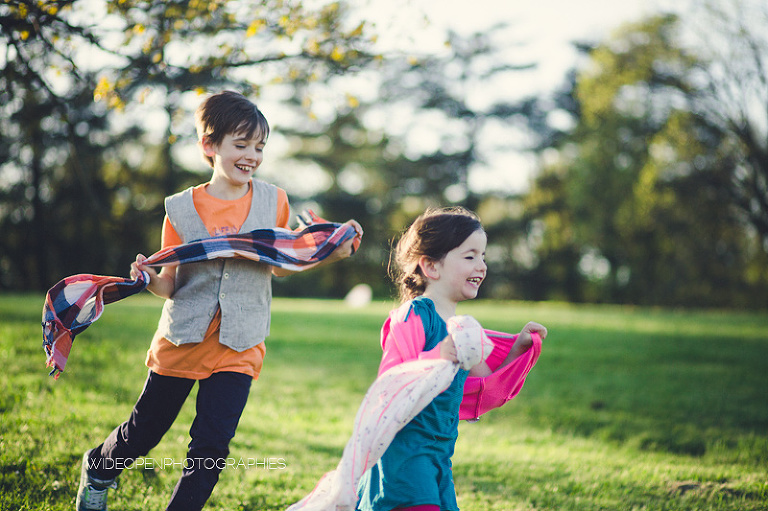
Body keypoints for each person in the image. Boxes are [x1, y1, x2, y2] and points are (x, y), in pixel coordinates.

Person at [75, 90, 363, 511]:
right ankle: (100, 467)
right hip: (183, 339)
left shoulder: (274, 201)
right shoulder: (180, 209)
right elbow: (170, 285)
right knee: (145, 431)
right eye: (241, 144)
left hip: (240, 343)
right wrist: (150, 278)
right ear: (209, 146)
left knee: (211, 444)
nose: (252, 156)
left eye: (260, 147)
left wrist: (329, 252)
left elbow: (280, 265)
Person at [356, 206, 546, 511]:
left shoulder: (466, 330)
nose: (482, 265)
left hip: (439, 457)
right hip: (403, 455)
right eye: (470, 256)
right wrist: (438, 356)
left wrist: (517, 349)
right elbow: (389, 387)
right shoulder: (413, 316)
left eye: (483, 256)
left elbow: (483, 386)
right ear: (431, 267)